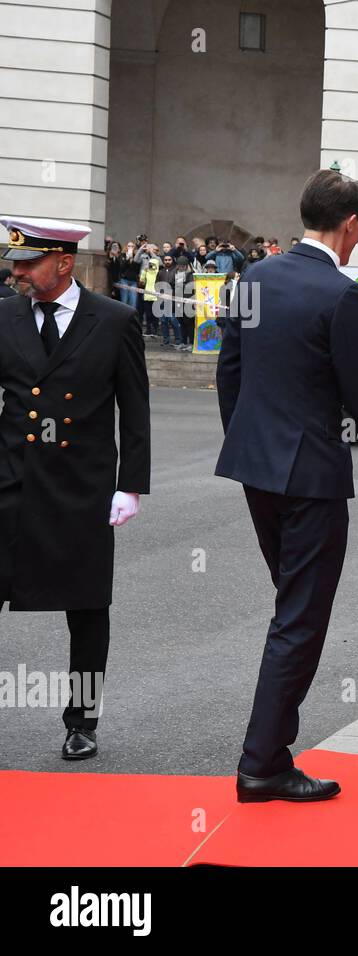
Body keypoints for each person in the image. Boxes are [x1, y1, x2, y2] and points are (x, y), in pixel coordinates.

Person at [216, 170, 358, 803]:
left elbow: (231, 370)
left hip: (257, 468)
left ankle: (268, 754)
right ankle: (263, 762)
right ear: (351, 223)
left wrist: (247, 441)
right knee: (299, 617)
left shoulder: (254, 276)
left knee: (291, 607)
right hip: (311, 475)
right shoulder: (341, 294)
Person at [0, 216, 151, 760]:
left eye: (27, 263)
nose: (16, 272)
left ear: (64, 263)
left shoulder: (113, 322)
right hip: (11, 482)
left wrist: (130, 485)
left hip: (80, 487)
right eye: (14, 262)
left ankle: (82, 722)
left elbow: (134, 410)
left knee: (87, 608)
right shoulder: (4, 316)